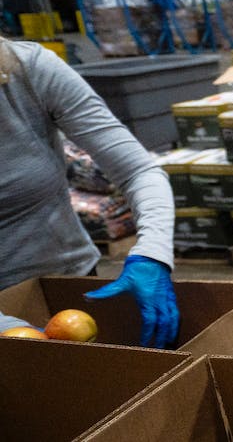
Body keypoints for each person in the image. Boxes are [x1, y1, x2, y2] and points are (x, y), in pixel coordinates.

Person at [0, 36, 179, 347]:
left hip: (68, 290)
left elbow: (139, 171)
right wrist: (11, 327)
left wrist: (152, 253)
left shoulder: (25, 71)